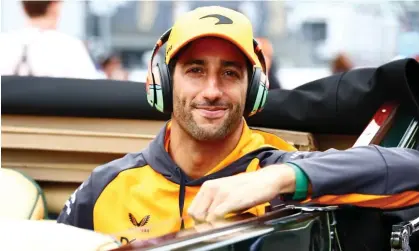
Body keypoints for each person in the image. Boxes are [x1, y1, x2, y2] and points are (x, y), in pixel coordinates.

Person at [57, 6, 419, 245]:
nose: (212, 91)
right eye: (195, 70)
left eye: (230, 73)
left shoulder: (276, 169)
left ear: (254, 90)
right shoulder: (105, 186)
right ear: (163, 82)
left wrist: (275, 179)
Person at [0, 1, 100, 79]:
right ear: (55, 4)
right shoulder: (70, 47)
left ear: (23, 8)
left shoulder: (3, 44)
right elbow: (93, 95)